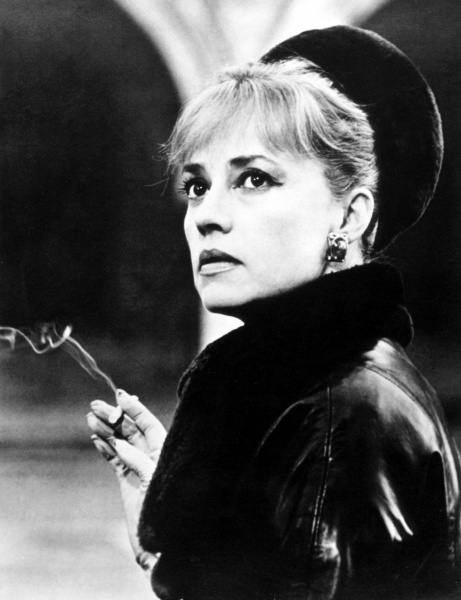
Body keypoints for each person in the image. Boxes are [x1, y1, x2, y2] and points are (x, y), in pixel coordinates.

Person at [87, 26, 461, 600]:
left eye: (254, 178)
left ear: (351, 216)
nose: (206, 215)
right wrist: (176, 545)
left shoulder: (341, 417)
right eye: (196, 185)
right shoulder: (315, 391)